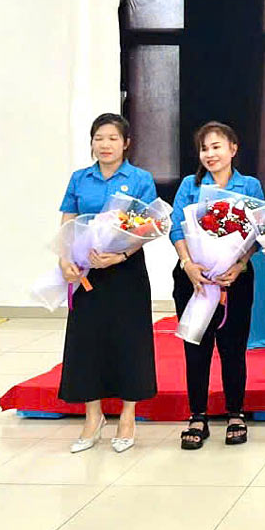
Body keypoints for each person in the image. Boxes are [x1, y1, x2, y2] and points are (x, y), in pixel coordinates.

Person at [59, 113, 158, 454]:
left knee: (129, 341)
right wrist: (64, 257)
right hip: (86, 273)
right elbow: (68, 220)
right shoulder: (79, 178)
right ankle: (93, 415)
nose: (105, 145)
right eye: (99, 138)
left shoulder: (140, 178)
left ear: (126, 143)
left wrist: (121, 256)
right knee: (87, 342)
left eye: (113, 138)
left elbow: (148, 227)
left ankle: (127, 417)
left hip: (125, 272)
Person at [170, 122, 264, 450]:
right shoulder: (189, 185)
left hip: (235, 280)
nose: (210, 154)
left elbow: (259, 233)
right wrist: (188, 265)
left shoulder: (250, 186)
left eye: (216, 147)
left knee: (233, 349)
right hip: (194, 280)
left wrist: (239, 264)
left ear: (233, 149)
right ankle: (198, 415)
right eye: (204, 148)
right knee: (196, 348)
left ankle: (235, 413)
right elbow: (177, 229)